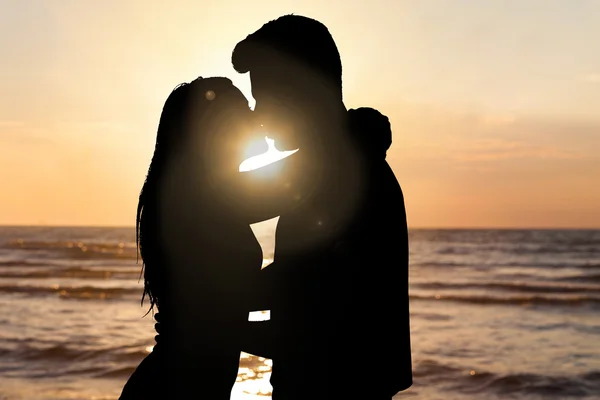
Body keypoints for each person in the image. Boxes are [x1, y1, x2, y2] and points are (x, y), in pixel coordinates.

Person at [231, 15, 412, 399]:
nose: (257, 115)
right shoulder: (335, 160)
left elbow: (314, 320)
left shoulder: (341, 170)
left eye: (263, 98)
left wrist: (210, 324)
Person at [119, 76, 299, 399]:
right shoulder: (196, 197)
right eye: (243, 111)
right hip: (173, 388)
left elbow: (228, 302)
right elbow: (295, 185)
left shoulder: (212, 191)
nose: (255, 119)